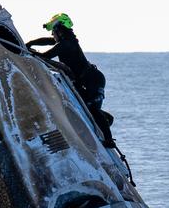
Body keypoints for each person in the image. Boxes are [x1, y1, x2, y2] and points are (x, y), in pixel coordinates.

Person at [25, 13, 116, 147]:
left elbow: (46, 56)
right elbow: (48, 41)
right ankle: (106, 118)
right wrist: (30, 43)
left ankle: (109, 140)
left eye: (53, 32)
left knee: (93, 108)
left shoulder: (66, 44)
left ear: (59, 31)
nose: (52, 35)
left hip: (94, 79)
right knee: (86, 106)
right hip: (84, 80)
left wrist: (28, 50)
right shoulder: (64, 41)